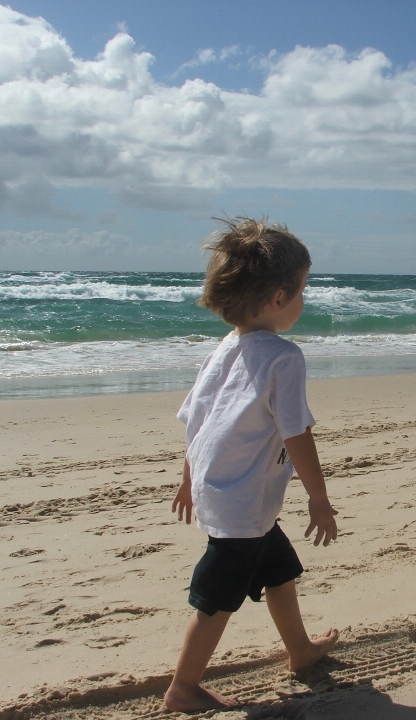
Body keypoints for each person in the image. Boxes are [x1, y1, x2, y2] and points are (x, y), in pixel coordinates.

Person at [164, 218, 340, 712]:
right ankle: (183, 687)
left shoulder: (222, 351)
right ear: (279, 298)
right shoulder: (283, 357)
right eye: (303, 289)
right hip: (242, 507)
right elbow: (296, 433)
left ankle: (300, 650)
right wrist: (320, 498)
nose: (305, 300)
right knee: (216, 599)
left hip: (232, 494)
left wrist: (188, 480)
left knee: (279, 571)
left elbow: (196, 422)